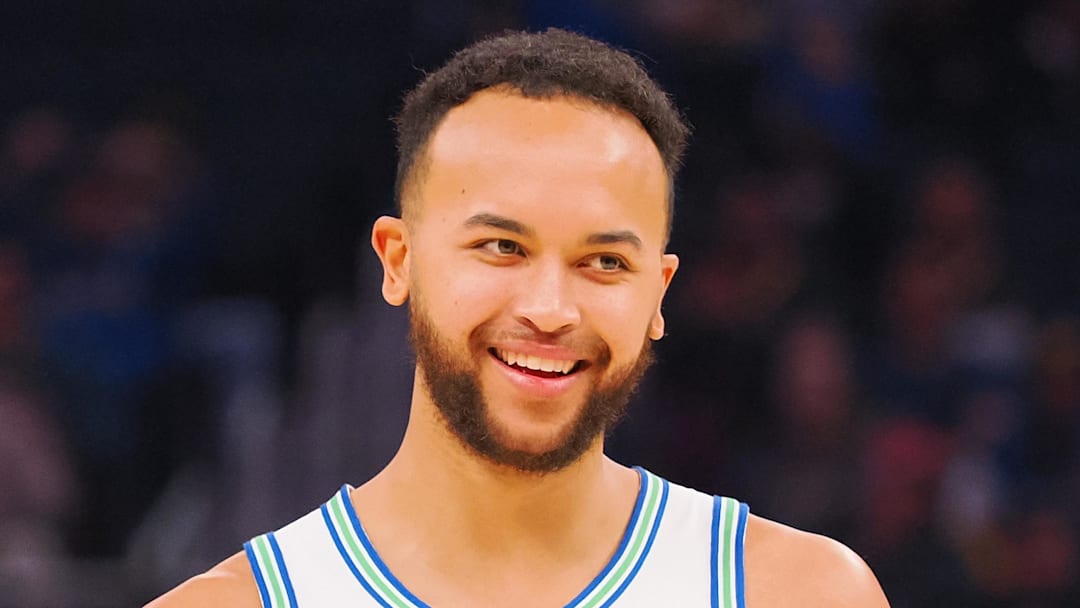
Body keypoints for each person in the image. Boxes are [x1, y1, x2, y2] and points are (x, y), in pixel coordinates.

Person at [149, 28, 889, 607]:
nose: (549, 309)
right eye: (502, 247)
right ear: (397, 259)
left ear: (659, 294)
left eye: (604, 262)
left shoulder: (798, 595)